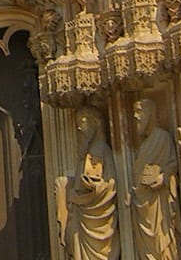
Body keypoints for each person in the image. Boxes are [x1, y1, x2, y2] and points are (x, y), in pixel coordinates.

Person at [58, 107, 118, 259]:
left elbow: (110, 185)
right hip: (81, 218)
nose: (78, 127)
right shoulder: (85, 154)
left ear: (95, 123)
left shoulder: (102, 150)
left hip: (96, 220)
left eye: (82, 122)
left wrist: (88, 192)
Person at [129, 98, 179, 260]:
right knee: (148, 248)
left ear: (150, 114)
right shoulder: (144, 145)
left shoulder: (162, 137)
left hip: (159, 201)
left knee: (162, 239)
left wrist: (163, 178)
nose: (135, 117)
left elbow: (172, 164)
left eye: (139, 112)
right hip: (142, 203)